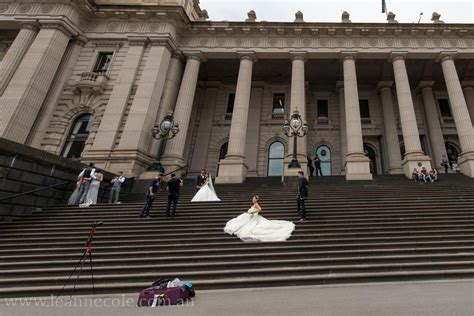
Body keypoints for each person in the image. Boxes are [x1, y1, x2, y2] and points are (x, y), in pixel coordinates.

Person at [224, 195, 295, 242]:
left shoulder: (256, 204)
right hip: (251, 217)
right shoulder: (254, 204)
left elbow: (260, 209)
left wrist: (253, 212)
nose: (252, 199)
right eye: (252, 198)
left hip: (254, 217)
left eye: (253, 198)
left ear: (256, 199)